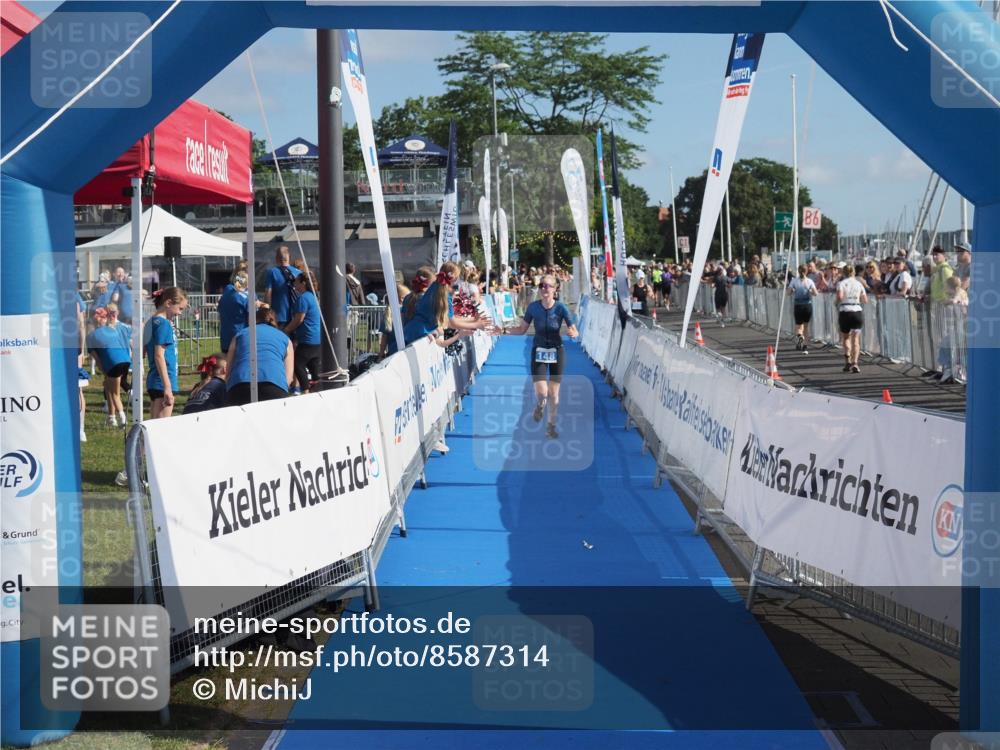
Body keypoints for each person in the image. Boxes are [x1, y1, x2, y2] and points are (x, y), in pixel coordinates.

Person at [503, 274, 579, 439]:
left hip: (557, 351)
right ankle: (540, 403)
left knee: (554, 392)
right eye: (542, 286)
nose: (544, 289)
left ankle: (551, 426)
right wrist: (503, 330)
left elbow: (573, 328)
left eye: (548, 286)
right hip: (538, 351)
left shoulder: (561, 308)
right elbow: (522, 329)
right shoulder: (533, 307)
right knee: (543, 392)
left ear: (555, 289)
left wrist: (573, 332)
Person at [401, 262, 493, 346]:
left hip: (414, 331)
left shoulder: (436, 287)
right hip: (418, 333)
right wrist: (476, 325)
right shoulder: (443, 294)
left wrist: (473, 320)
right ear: (455, 279)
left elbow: (450, 319)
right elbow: (451, 323)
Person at [226, 307, 294, 406]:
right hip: (274, 386)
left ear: (255, 320)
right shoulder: (285, 339)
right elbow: (289, 377)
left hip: (239, 384)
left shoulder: (240, 335)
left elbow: (228, 369)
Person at [143, 287, 188, 418]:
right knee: (161, 429)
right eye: (180, 308)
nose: (180, 313)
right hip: (163, 380)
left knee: (155, 426)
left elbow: (144, 351)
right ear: (168, 303)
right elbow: (159, 355)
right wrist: (167, 387)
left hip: (154, 380)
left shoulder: (151, 322)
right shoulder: (163, 324)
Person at [86, 306, 132, 427]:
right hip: (126, 361)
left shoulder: (90, 337)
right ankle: (111, 418)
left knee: (114, 393)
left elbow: (97, 360)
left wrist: (105, 372)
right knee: (107, 386)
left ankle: (123, 419)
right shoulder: (113, 330)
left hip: (113, 364)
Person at [285, 271, 322, 392]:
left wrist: (286, 329)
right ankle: (317, 390)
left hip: (308, 339)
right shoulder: (314, 297)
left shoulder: (303, 298)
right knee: (313, 366)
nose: (294, 284)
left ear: (303, 283)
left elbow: (299, 319)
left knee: (297, 365)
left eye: (296, 281)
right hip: (317, 339)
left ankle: (305, 390)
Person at [836, 264, 868, 374]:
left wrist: (836, 302)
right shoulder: (858, 284)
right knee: (856, 339)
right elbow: (865, 300)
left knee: (846, 337)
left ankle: (848, 360)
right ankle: (855, 363)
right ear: (854, 272)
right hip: (857, 311)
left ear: (844, 273)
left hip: (845, 311)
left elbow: (840, 297)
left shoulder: (841, 283)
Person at [265, 246, 301, 327]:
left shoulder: (272, 272)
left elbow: (268, 294)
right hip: (296, 316)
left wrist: (267, 312)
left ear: (276, 258)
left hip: (278, 317)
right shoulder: (299, 273)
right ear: (289, 257)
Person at [218, 270, 251, 354]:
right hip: (240, 338)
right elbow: (252, 318)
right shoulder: (245, 298)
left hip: (225, 338)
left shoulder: (227, 291)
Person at [787, 264, 818, 354]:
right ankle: (805, 346)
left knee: (798, 326)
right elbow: (816, 293)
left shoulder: (794, 281)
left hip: (798, 306)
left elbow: (788, 293)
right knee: (806, 327)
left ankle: (800, 336)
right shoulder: (809, 281)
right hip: (807, 306)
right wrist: (811, 291)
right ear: (806, 271)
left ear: (798, 271)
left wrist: (792, 290)